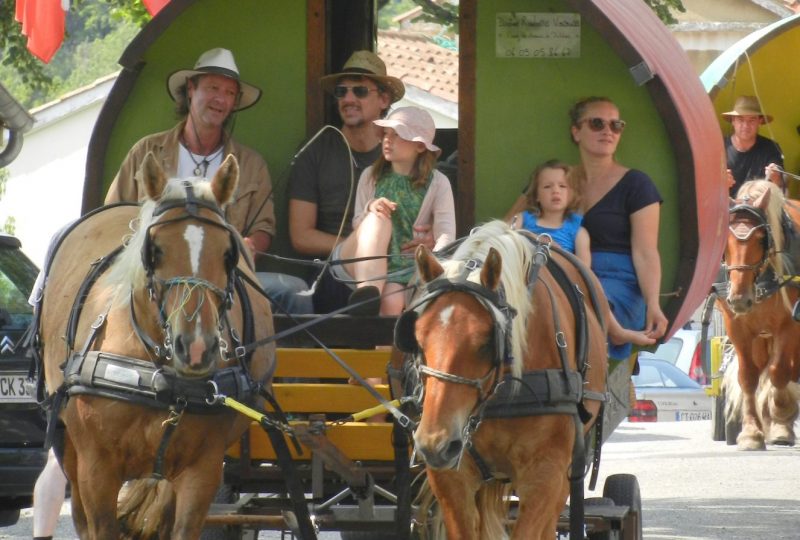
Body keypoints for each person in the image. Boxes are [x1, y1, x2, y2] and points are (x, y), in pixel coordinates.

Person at [105, 47, 312, 314]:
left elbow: (264, 228)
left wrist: (247, 247)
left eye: (229, 93)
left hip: (227, 279)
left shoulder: (251, 164)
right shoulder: (146, 152)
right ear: (191, 89)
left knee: (296, 292)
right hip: (154, 278)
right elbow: (111, 214)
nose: (220, 99)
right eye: (213, 88)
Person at [287, 50, 433, 313]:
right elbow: (301, 236)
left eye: (360, 91)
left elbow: (431, 217)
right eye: (342, 91)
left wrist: (430, 239)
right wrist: (366, 244)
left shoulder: (404, 152)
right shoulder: (315, 150)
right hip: (334, 273)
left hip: (402, 269)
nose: (349, 98)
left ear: (384, 99)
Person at [508, 159, 655, 348]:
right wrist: (529, 238)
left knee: (593, 290)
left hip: (560, 281)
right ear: (536, 195)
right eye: (547, 187)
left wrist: (558, 255)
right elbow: (505, 237)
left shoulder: (576, 230)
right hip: (525, 277)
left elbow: (583, 267)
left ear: (571, 194)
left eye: (562, 186)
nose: (555, 191)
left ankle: (618, 331)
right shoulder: (523, 220)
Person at [568, 96, 668, 360]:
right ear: (576, 132)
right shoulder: (558, 181)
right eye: (597, 123)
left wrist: (653, 304)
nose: (607, 131)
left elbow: (646, 252)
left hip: (619, 282)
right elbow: (514, 222)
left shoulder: (636, 184)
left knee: (581, 306)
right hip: (566, 272)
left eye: (616, 125)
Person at [336, 106, 455, 316]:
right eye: (386, 134)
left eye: (398, 135)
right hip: (362, 260)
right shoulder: (370, 175)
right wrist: (370, 209)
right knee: (377, 218)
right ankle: (366, 295)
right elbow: (356, 223)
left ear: (419, 146)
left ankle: (379, 345)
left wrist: (434, 260)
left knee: (391, 305)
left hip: (404, 265)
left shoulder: (438, 183)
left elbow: (445, 231)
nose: (387, 140)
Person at [723, 95, 784, 196]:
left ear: (759, 122)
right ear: (733, 120)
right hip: (723, 208)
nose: (746, 125)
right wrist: (718, 183)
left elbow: (781, 190)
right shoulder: (718, 145)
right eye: (741, 119)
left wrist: (776, 178)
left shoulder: (771, 148)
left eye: (751, 120)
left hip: (757, 209)